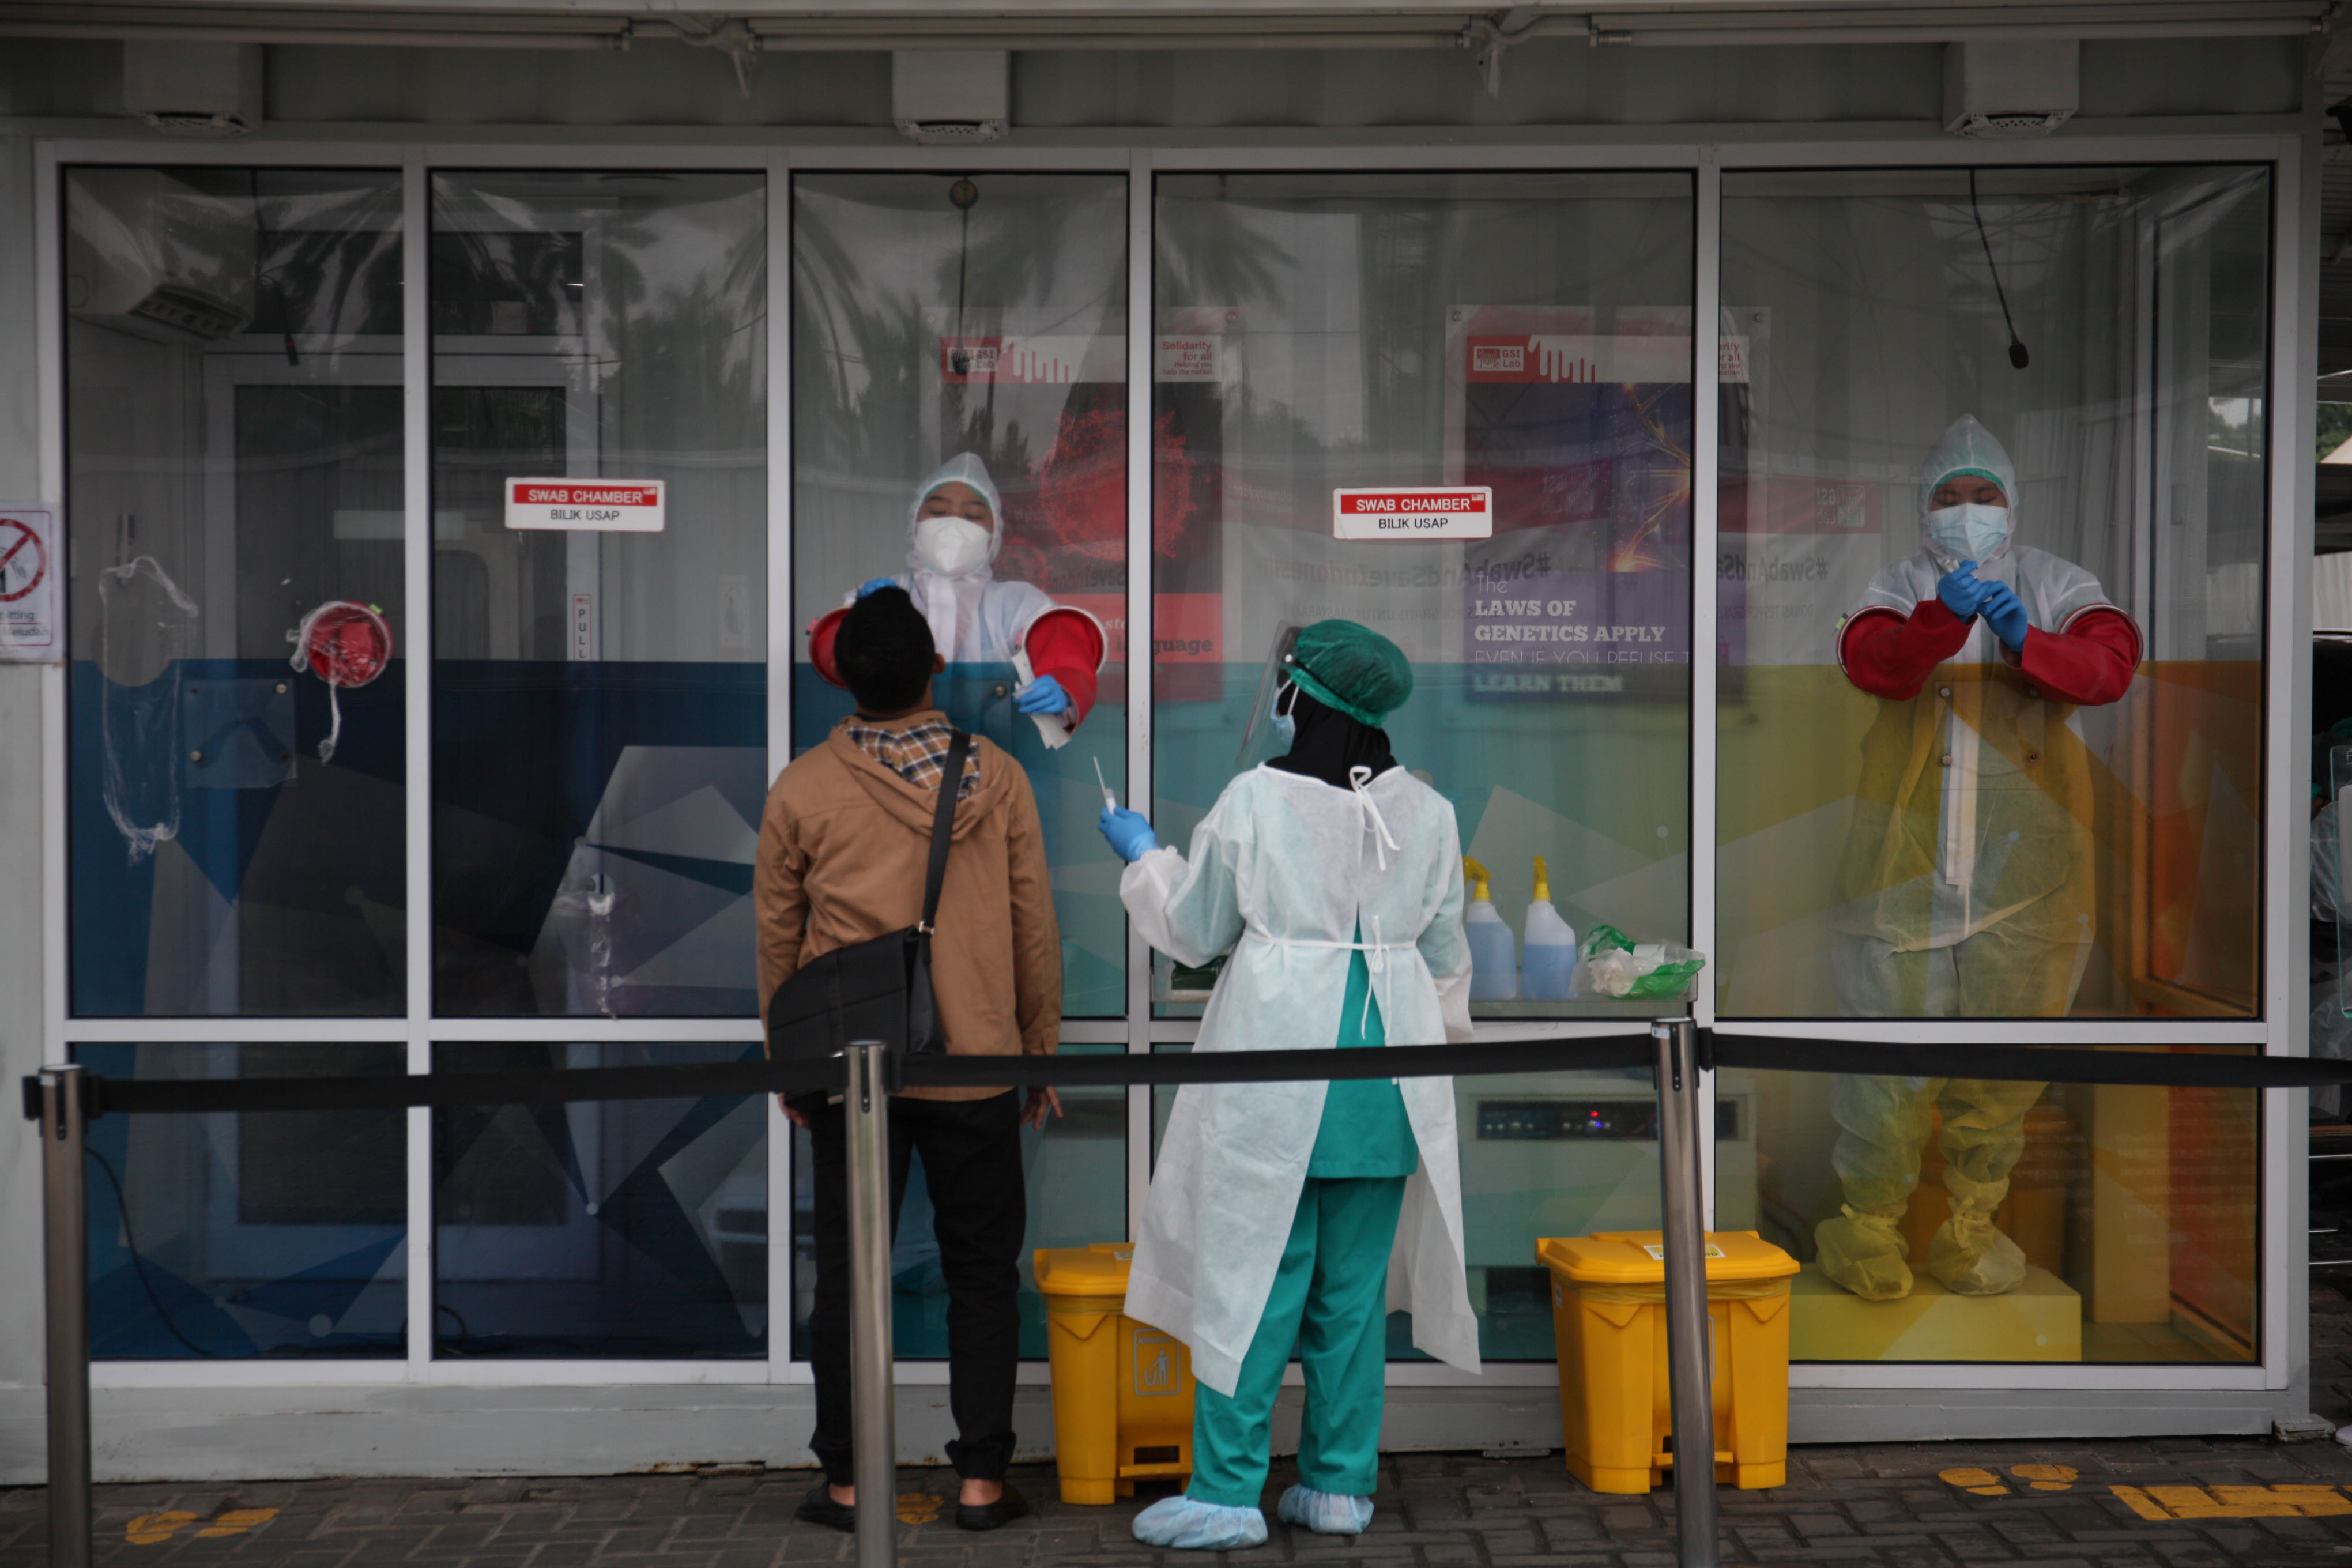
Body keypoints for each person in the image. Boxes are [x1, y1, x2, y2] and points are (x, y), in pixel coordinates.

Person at [1095, 619, 1478, 1550]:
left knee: (1249, 1286)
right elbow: (1446, 957)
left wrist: (1144, 858)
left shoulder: (1255, 801)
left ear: (1302, 697)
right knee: (1349, 1306)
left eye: (1284, 683)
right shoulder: (1427, 812)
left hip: (1276, 1078)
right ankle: (1339, 1488)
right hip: (1386, 1080)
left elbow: (1196, 928)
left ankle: (1228, 1492)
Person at [756, 586, 1064, 1532]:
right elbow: (1031, 929)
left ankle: (849, 1484)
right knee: (980, 1273)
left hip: (853, 1072)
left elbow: (776, 939)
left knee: (851, 1278)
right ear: (938, 667)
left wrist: (790, 1064)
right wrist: (1037, 1053)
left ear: (843, 676)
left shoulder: (803, 787)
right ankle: (981, 1483)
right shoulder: (997, 778)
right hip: (976, 1063)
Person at [1817, 414, 2142, 1301]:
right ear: (1926, 513)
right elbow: (1875, 667)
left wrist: (2026, 640)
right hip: (1903, 869)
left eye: (1984, 497)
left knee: (2003, 1067)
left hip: (2026, 879)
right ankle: (1867, 1232)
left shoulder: (2056, 582)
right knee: (1885, 1072)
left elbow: (2111, 669)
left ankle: (1970, 1230)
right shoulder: (1897, 582)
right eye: (1949, 498)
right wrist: (1936, 624)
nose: (1968, 513)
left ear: (2012, 506)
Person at [808, 453, 1107, 737]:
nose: (953, 525)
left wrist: (1064, 686)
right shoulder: (887, 595)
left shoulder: (1016, 604)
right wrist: (861, 620)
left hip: (998, 762)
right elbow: (834, 655)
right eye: (938, 512)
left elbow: (1060, 640)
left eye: (973, 516)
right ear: (915, 524)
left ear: (994, 537)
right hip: (897, 762)